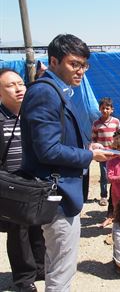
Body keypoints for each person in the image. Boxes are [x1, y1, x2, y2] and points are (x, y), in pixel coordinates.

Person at [20, 34, 114, 291]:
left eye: (84, 65)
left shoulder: (56, 90)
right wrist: (88, 156)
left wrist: (85, 147)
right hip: (57, 196)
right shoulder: (46, 93)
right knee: (62, 272)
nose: (81, 71)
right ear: (53, 61)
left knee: (56, 264)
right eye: (75, 64)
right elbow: (47, 150)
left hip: (58, 192)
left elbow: (53, 140)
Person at [0, 69, 45, 292]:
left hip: (35, 182)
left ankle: (40, 267)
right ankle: (24, 279)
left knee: (38, 225)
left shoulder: (33, 114)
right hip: (11, 185)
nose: (18, 89)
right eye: (10, 85)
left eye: (20, 83)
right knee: (18, 232)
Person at [91, 97, 120, 206]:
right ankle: (103, 196)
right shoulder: (96, 124)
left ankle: (115, 195)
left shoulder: (116, 122)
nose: (105, 110)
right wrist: (95, 150)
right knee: (104, 175)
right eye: (103, 108)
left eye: (107, 108)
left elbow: (119, 137)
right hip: (102, 153)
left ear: (112, 109)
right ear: (99, 109)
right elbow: (94, 139)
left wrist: (119, 149)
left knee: (115, 174)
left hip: (114, 153)